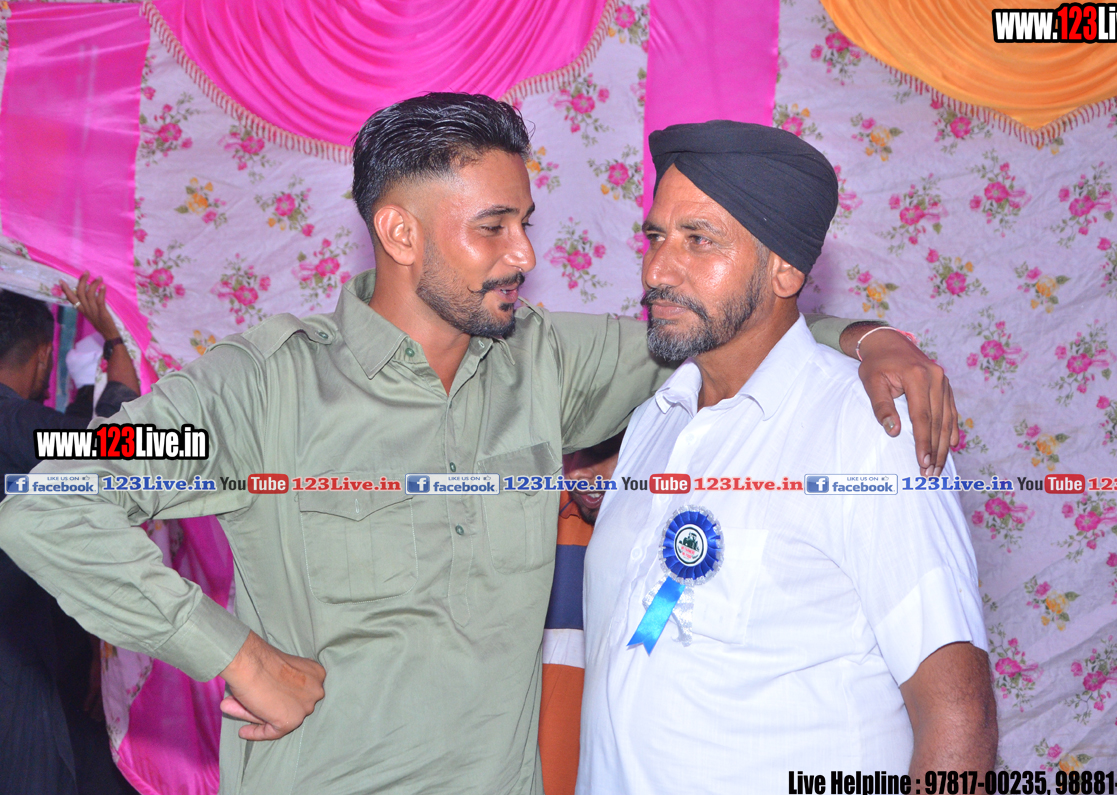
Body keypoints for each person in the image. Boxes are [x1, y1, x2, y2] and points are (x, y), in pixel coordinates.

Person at [0, 94, 959, 795]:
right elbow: (52, 500)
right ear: (399, 232)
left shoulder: (544, 364)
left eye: (524, 224)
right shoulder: (259, 390)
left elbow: (721, 320)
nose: (525, 256)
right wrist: (236, 656)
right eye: (494, 227)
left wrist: (869, 337)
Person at [578, 120, 996, 794]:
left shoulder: (868, 429)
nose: (656, 270)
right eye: (655, 237)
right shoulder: (655, 422)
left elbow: (958, 716)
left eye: (698, 240)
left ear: (786, 269)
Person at [1, 281, 140, 795]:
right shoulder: (15, 422)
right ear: (44, 354)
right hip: (15, 664)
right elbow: (122, 446)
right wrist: (115, 340)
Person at [540, 432, 621, 795]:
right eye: (572, 452)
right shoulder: (533, 518)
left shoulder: (669, 532)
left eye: (601, 451)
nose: (584, 474)